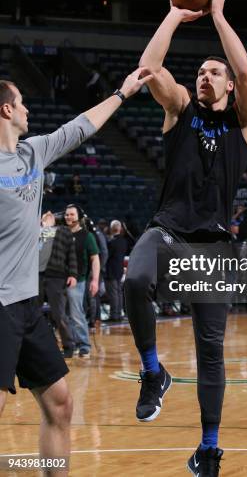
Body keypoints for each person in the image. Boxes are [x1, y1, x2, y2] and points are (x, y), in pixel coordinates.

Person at [124, 0, 247, 476]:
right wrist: (176, 15)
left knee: (211, 351)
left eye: (213, 72)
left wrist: (219, 17)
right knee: (136, 280)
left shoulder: (242, 122)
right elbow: (149, 68)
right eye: (200, 71)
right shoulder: (180, 108)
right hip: (169, 229)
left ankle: (208, 448)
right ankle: (153, 371)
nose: (205, 76)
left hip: (213, 248)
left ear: (226, 85)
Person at [0, 68, 153, 474]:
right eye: (22, 102)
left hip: (27, 304)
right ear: (6, 109)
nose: (28, 109)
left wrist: (122, 93)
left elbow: (80, 127)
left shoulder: (33, 152)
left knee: (61, 403)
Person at [39, 211, 78, 358]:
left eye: (50, 215)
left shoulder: (63, 232)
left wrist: (73, 275)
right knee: (34, 313)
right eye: (45, 216)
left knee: (59, 314)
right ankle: (41, 344)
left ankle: (69, 345)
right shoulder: (37, 231)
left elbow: (72, 255)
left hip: (57, 277)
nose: (48, 216)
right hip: (37, 275)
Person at [64, 204, 99, 357]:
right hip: (60, 280)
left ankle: (84, 345)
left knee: (76, 313)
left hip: (78, 280)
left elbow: (95, 259)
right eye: (66, 214)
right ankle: (72, 344)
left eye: (71, 214)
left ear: (79, 217)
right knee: (64, 316)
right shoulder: (61, 233)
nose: (68, 217)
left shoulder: (87, 236)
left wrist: (95, 280)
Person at [105, 220, 128, 322]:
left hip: (111, 271)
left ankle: (114, 315)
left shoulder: (111, 242)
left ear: (111, 229)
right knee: (119, 293)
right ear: (120, 229)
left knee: (114, 294)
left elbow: (107, 256)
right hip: (119, 270)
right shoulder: (124, 241)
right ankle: (119, 313)